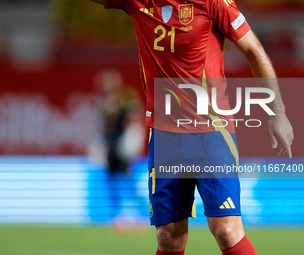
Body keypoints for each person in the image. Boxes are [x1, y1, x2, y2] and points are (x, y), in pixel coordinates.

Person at [89, 1, 294, 255]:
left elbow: (253, 49)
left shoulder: (213, 2)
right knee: (168, 237)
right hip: (165, 137)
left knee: (227, 231)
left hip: (212, 132)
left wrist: (279, 113)